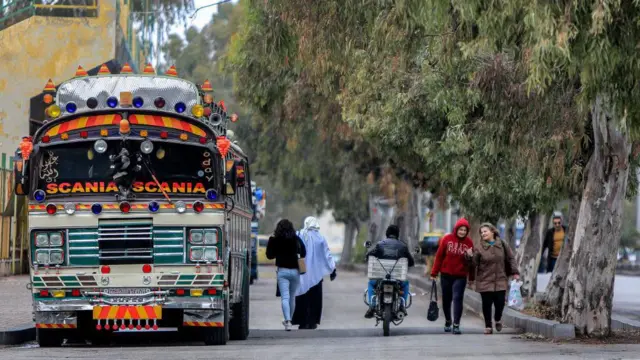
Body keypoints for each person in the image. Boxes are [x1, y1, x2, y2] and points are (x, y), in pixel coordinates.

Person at [467, 222, 519, 334]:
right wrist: (470, 256)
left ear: (492, 231)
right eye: (481, 232)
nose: (483, 234)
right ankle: (488, 326)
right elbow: (474, 264)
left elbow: (511, 258)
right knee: (487, 304)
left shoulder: (502, 244)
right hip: (484, 280)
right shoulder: (479, 247)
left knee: (500, 303)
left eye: (485, 231)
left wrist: (515, 272)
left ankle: (497, 319)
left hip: (500, 279)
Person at [291, 216, 337, 330]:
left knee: (302, 296)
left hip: (302, 272)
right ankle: (312, 321)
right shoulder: (320, 238)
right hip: (316, 275)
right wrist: (332, 269)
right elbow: (327, 255)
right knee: (314, 299)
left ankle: (302, 322)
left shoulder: (299, 235)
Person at [430, 218, 474, 335]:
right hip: (446, 275)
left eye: (465, 230)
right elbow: (439, 257)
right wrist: (434, 273)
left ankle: (456, 325)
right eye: (461, 229)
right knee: (446, 299)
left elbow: (471, 264)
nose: (462, 232)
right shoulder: (447, 239)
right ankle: (448, 320)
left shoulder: (469, 243)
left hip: (460, 276)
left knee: (458, 298)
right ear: (456, 229)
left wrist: (471, 277)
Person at [364, 225, 415, 319]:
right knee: (406, 283)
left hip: (380, 278)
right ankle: (402, 306)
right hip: (398, 279)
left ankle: (372, 305)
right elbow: (411, 262)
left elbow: (369, 255)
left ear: (387, 233)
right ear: (397, 234)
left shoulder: (380, 244)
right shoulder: (403, 246)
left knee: (371, 284)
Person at [266, 219, 307, 331]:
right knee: (292, 297)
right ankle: (290, 320)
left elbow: (269, 255)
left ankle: (287, 321)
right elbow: (304, 252)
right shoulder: (296, 239)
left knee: (285, 297)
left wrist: (272, 242)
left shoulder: (275, 239)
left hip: (282, 271)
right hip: (295, 271)